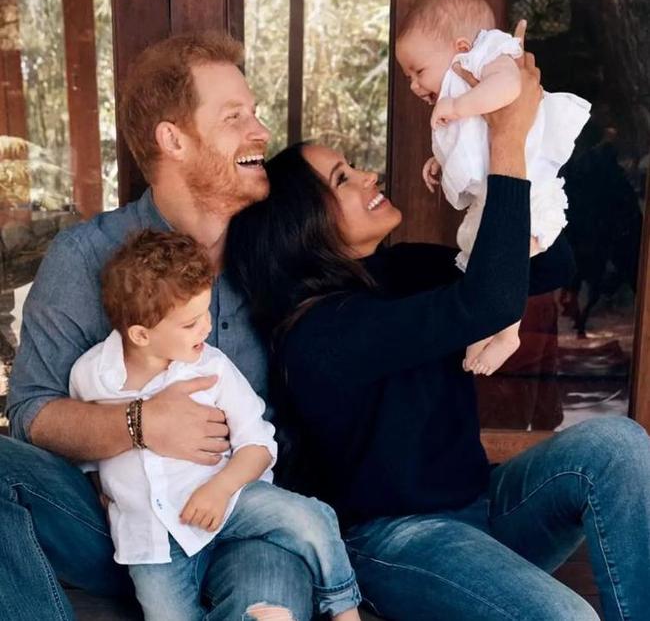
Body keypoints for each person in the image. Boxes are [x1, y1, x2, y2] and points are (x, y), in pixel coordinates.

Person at [227, 38, 650, 620]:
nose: (368, 175)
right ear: (302, 226)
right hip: (398, 543)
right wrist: (502, 136)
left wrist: (509, 154)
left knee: (619, 445)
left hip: (484, 509)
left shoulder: (399, 270)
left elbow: (551, 265)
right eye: (343, 177)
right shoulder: (319, 334)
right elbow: (485, 304)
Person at [2, 32, 316, 621]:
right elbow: (30, 413)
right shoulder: (86, 256)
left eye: (254, 113)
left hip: (244, 518)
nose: (260, 132)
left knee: (271, 605)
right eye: (234, 117)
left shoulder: (276, 253)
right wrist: (139, 424)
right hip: (119, 526)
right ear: (173, 139)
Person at [69, 229, 361, 621]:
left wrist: (220, 490)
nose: (205, 328)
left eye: (205, 312)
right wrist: (104, 494)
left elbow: (258, 444)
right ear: (140, 334)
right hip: (152, 540)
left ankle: (344, 609)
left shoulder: (212, 367)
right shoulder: (91, 376)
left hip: (231, 500)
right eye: (189, 324)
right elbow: (86, 453)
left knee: (313, 518)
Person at [395, 0, 591, 376]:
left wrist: (457, 105)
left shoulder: (491, 56)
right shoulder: (462, 86)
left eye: (419, 71)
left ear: (462, 46)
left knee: (507, 257)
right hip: (497, 191)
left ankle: (507, 333)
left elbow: (509, 89)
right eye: (408, 78)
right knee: (478, 255)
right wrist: (440, 160)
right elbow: (474, 142)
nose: (415, 86)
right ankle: (486, 326)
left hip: (529, 188)